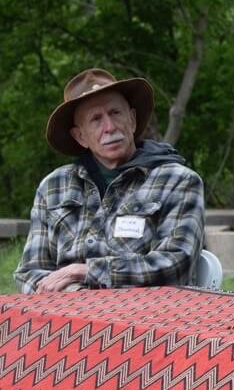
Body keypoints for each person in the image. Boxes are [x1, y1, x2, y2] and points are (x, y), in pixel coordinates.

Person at [14, 67, 205, 292]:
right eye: (96, 119)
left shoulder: (178, 181)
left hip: (147, 316)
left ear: (132, 120)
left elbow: (175, 263)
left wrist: (85, 271)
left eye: (115, 113)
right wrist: (76, 295)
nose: (110, 127)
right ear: (80, 136)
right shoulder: (53, 187)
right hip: (65, 311)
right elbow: (29, 271)